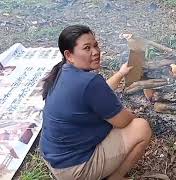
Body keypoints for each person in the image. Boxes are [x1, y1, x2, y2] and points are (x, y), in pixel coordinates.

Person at [39, 25, 152, 180]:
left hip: (55, 157)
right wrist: (133, 115)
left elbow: (98, 92)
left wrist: (120, 73)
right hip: (74, 169)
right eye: (87, 48)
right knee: (141, 127)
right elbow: (123, 121)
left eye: (95, 45)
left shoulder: (62, 71)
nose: (96, 52)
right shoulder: (90, 82)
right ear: (69, 55)